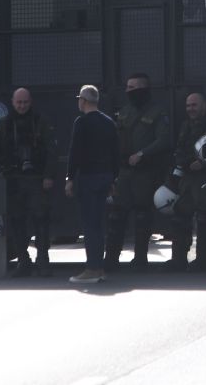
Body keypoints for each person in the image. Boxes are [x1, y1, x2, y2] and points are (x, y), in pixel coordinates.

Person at [0, 88, 57, 277]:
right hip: (13, 180)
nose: (22, 106)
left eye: (25, 102)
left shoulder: (40, 122)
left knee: (41, 220)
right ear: (12, 102)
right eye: (19, 102)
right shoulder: (4, 125)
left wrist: (48, 176)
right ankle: (23, 261)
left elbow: (52, 152)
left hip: (37, 179)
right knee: (16, 221)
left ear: (31, 102)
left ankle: (43, 260)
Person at [105, 72, 171, 271]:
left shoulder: (158, 112)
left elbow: (164, 140)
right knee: (116, 215)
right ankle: (111, 259)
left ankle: (141, 258)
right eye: (127, 87)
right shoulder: (125, 111)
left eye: (132, 88)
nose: (128, 91)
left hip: (146, 172)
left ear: (143, 88)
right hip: (125, 172)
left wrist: (142, 154)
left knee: (142, 216)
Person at [65, 85, 118, 284]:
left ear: (83, 101)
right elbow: (115, 153)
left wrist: (69, 178)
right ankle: (99, 267)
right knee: (99, 224)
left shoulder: (81, 123)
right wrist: (114, 179)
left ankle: (92, 268)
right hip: (105, 177)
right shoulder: (108, 123)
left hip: (87, 177)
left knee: (89, 225)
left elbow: (75, 151)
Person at [164, 92, 206, 272]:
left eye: (194, 105)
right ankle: (178, 259)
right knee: (180, 217)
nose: (190, 109)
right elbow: (180, 149)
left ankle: (202, 260)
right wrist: (186, 163)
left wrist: (203, 163)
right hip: (188, 178)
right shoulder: (186, 125)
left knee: (205, 219)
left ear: (204, 105)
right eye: (188, 106)